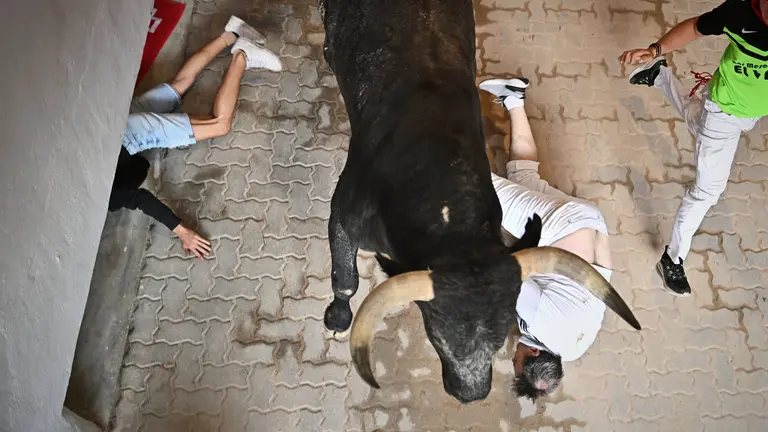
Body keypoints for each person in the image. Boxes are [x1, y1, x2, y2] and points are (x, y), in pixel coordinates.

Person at [619, 0, 768, 296]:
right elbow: (696, 27)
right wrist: (655, 49)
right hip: (724, 110)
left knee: (698, 124)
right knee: (706, 192)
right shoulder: (738, 13)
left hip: (751, 110)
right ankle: (672, 258)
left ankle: (660, 76)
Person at [479, 77, 615, 400]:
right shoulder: (537, 324)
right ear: (534, 355)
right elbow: (508, 273)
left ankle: (513, 97)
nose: (513, 354)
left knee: (524, 179)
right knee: (479, 190)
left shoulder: (575, 348)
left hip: (595, 230)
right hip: (564, 228)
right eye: (516, 360)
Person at [109, 16, 282, 259]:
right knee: (180, 84)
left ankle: (242, 56)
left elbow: (140, 198)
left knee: (219, 125)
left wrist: (182, 232)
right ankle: (232, 33)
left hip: (134, 135)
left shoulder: (99, 199)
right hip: (118, 124)